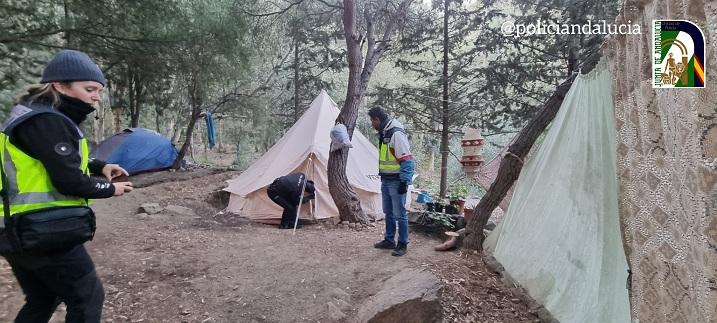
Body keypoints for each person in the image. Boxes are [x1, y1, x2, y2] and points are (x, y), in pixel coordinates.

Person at [0, 50, 134, 323]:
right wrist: (110, 189)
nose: (96, 96)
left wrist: (100, 166)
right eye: (89, 89)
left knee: (43, 298)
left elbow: (55, 158)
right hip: (42, 231)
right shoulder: (46, 121)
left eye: (98, 90)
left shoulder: (33, 115)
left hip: (14, 230)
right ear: (60, 85)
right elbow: (69, 180)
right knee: (87, 297)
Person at [369, 106, 415, 257]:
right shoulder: (385, 133)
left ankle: (402, 243)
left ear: (377, 119)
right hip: (386, 179)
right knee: (388, 212)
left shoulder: (396, 133)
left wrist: (404, 182)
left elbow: (407, 160)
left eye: (372, 121)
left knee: (400, 213)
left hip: (396, 181)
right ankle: (389, 240)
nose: (371, 124)